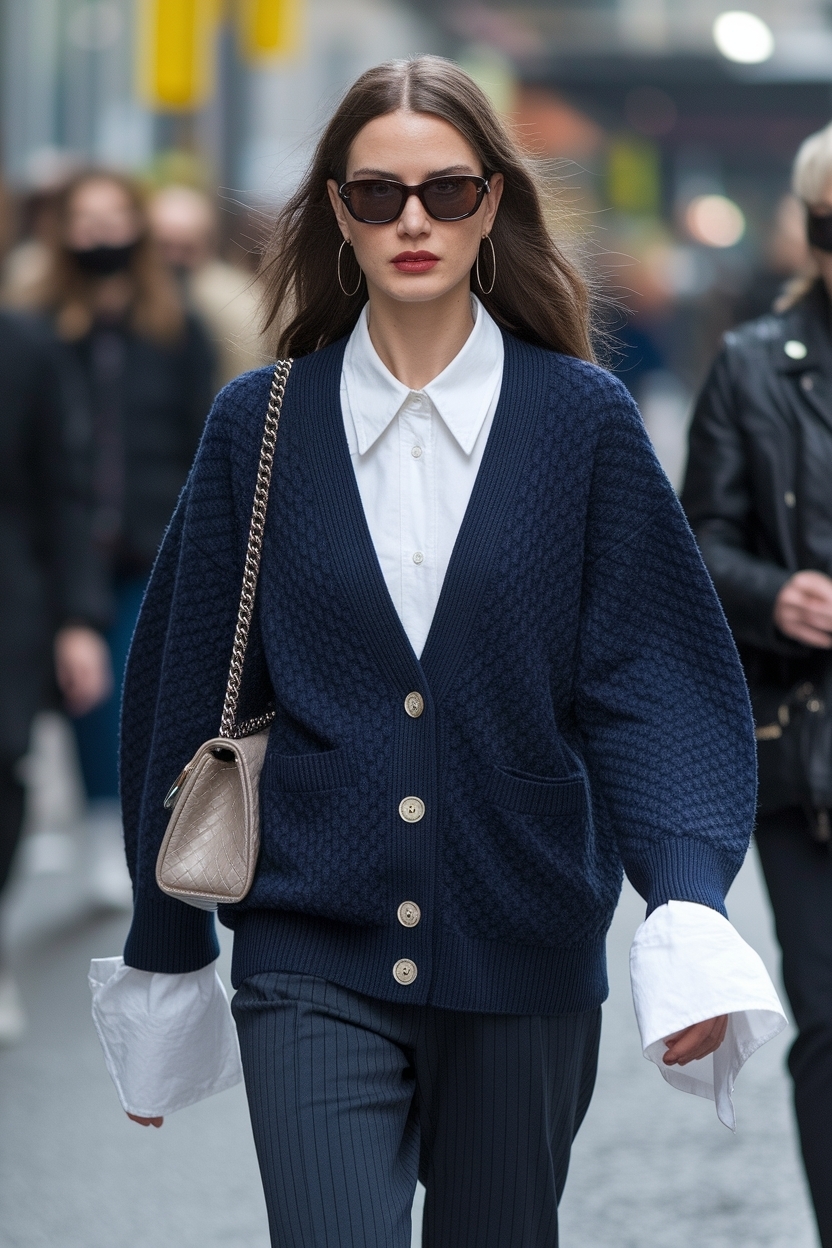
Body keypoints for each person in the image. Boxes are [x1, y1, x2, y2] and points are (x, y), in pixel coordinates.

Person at [94, 58, 784, 1246]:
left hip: (523, 943)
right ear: (337, 211)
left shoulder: (582, 422)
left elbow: (653, 678)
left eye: (446, 191)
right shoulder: (258, 423)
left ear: (491, 203)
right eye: (377, 195)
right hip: (309, 945)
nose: (412, 221)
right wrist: (165, 948)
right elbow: (186, 685)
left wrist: (685, 899)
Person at [683, 120, 832, 1248]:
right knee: (828, 1019)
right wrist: (775, 594)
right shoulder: (751, 365)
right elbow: (697, 543)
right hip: (806, 744)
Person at [26, 171, 214, 892]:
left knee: (129, 683)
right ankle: (92, 817)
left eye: (114, 216)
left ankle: (117, 822)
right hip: (60, 542)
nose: (100, 232)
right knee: (74, 689)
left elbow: (200, 433)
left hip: (148, 540)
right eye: (85, 218)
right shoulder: (40, 325)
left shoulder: (176, 323)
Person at [0, 308, 111, 1042]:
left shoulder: (25, 348)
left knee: (4, 767)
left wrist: (77, 618)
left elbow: (62, 491)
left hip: (10, 600)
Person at [148, 184, 269, 389]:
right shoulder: (133, 294)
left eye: (186, 248)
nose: (174, 258)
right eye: (164, 246)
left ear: (208, 244)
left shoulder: (238, 303)